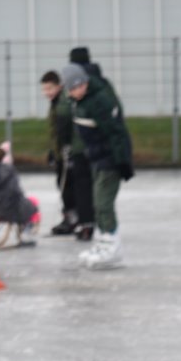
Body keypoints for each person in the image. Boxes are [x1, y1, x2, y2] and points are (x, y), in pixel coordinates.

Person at [62, 60, 132, 270]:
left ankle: (112, 245)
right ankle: (103, 242)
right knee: (97, 202)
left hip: (110, 159)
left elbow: (116, 131)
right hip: (97, 158)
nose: (77, 90)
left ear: (85, 82)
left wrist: (122, 161)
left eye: (80, 85)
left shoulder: (98, 100)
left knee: (103, 202)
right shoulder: (79, 102)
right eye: (73, 87)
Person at [42, 70, 89, 237]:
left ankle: (73, 217)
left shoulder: (62, 102)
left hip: (67, 152)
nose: (46, 93)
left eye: (50, 88)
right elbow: (55, 131)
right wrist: (52, 151)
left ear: (59, 86)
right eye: (44, 89)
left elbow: (64, 129)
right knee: (63, 184)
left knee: (68, 185)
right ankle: (69, 215)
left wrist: (65, 150)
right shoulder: (55, 102)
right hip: (60, 151)